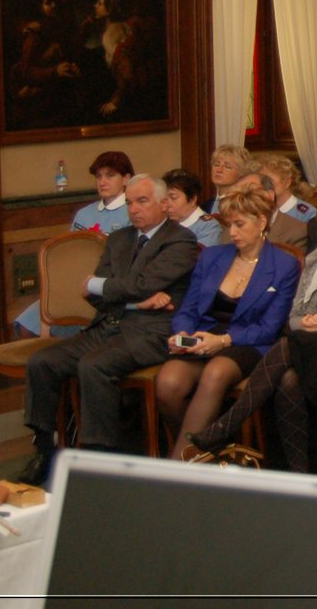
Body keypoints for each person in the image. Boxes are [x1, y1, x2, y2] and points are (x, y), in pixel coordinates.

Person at [190, 195, 317, 469]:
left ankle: (228, 424)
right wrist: (311, 323)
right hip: (312, 347)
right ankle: (299, 471)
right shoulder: (316, 262)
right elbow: (294, 320)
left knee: (295, 343)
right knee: (289, 377)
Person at [18, 175, 200, 484]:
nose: (134, 209)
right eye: (129, 202)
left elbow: (141, 284)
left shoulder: (180, 240)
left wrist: (97, 283)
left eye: (142, 201)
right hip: (110, 323)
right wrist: (133, 302)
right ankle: (44, 449)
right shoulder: (119, 239)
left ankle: (99, 458)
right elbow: (96, 297)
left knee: (94, 366)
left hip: (151, 332)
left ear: (163, 203)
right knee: (43, 362)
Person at [157, 184, 301, 457]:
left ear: (261, 222)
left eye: (239, 224)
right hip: (203, 336)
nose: (231, 232)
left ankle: (178, 465)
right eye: (228, 224)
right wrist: (182, 334)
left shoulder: (284, 265)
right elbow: (187, 308)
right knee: (168, 382)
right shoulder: (212, 256)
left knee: (217, 372)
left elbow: (269, 329)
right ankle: (205, 453)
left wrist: (223, 341)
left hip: (247, 341)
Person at [72, 150, 134, 234]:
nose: (102, 182)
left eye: (110, 175)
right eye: (98, 176)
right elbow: (73, 245)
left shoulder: (133, 212)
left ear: (126, 179)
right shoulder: (83, 214)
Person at [163, 168, 223, 248]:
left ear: (192, 200)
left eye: (173, 198)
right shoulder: (163, 224)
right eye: (164, 199)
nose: (167, 204)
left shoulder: (209, 228)